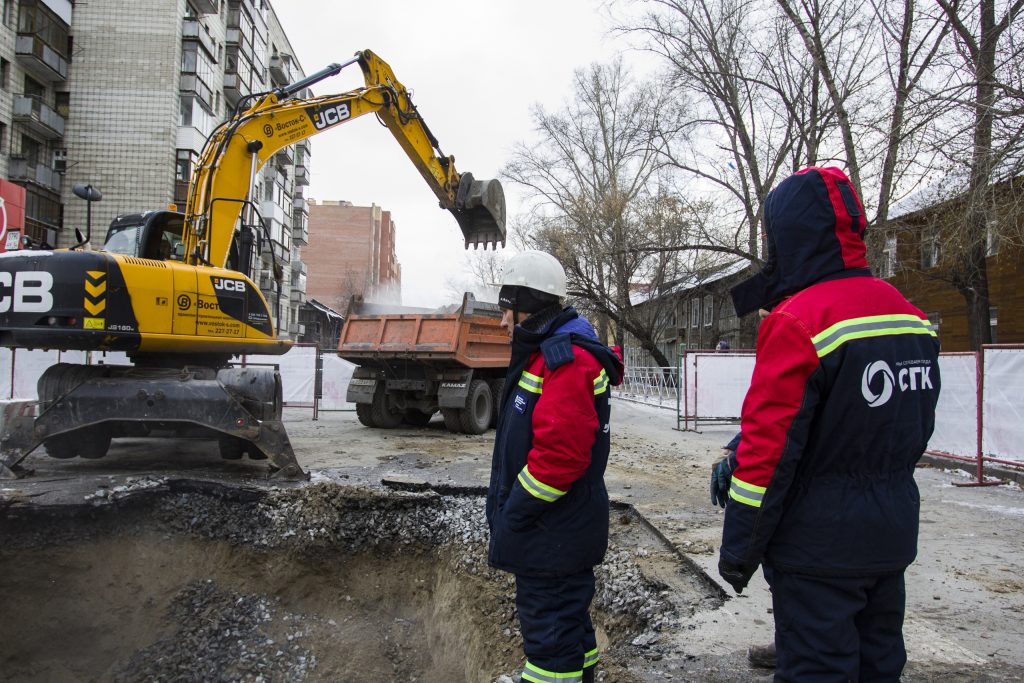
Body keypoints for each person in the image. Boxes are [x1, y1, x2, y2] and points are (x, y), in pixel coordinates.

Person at [718, 166, 941, 681]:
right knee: (878, 664)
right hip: (889, 538)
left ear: (787, 236)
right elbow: (895, 426)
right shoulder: (911, 318)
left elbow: (769, 456)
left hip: (817, 550)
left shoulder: (799, 321)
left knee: (818, 669)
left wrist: (739, 551)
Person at [486, 249, 624, 683]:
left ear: (528, 307)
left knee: (550, 643)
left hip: (551, 531)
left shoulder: (566, 360)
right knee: (568, 627)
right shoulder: (545, 353)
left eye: (506, 310)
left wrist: (515, 513)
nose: (502, 322)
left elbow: (560, 459)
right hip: (556, 528)